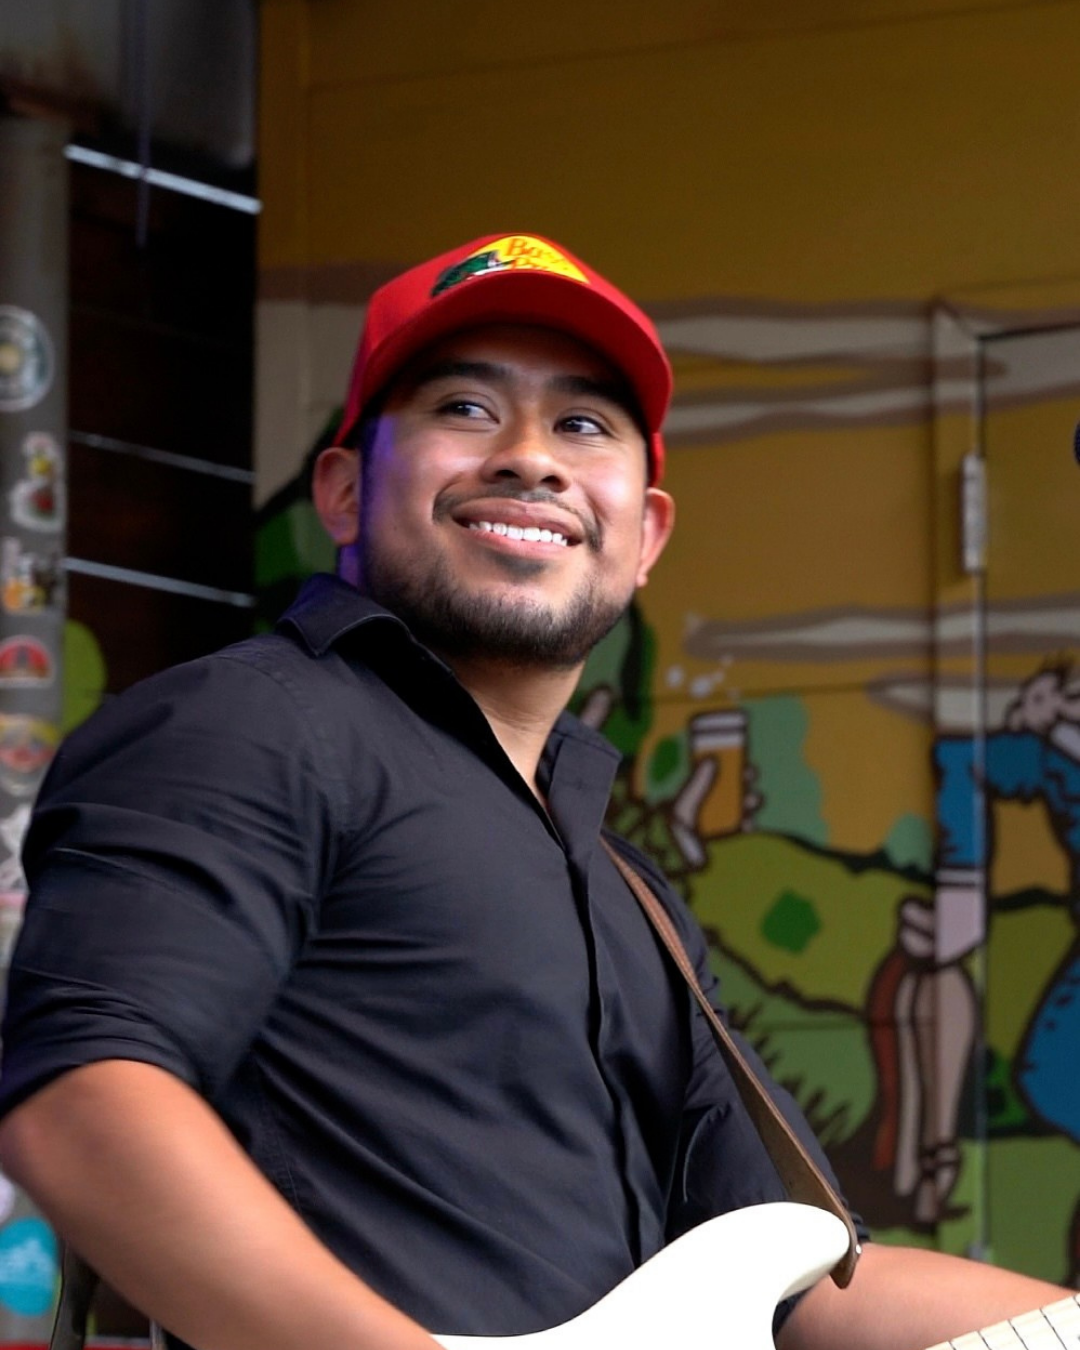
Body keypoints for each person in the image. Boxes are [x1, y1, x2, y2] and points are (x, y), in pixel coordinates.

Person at [0, 233, 1069, 1350]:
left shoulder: (624, 885)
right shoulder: (250, 723)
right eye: (464, 408)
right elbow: (87, 1096)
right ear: (345, 488)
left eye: (584, 424)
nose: (531, 458)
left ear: (646, 532)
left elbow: (795, 1283)